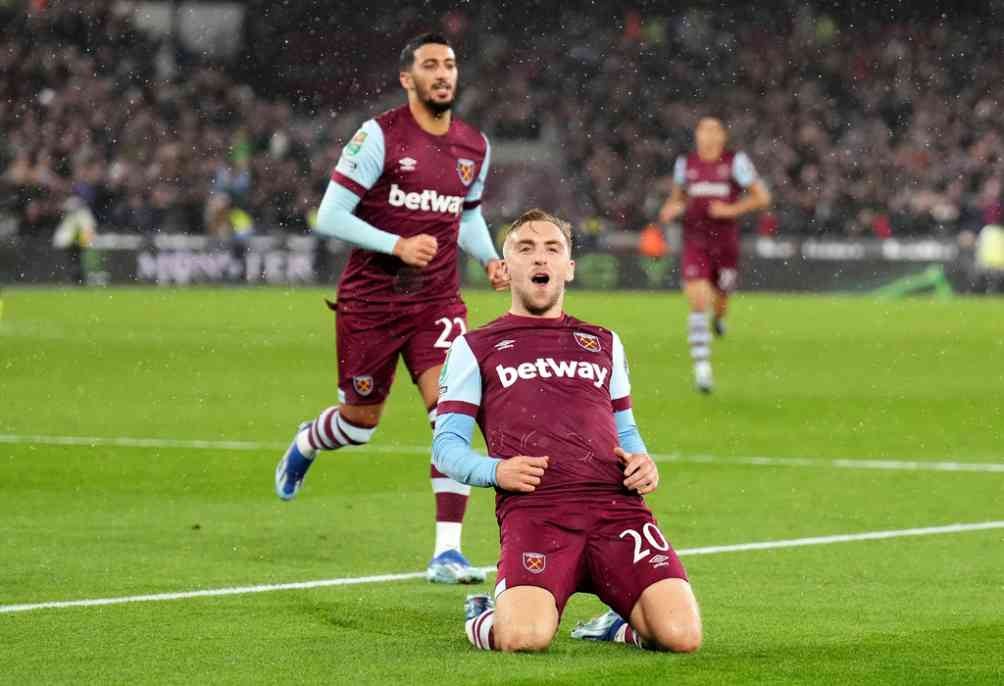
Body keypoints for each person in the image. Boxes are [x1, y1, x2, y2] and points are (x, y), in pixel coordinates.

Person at [274, 33, 507, 584]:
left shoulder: (474, 145)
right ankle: (308, 441)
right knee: (359, 425)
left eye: (450, 64)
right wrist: (396, 244)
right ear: (408, 78)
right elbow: (330, 215)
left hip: (438, 302)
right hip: (372, 302)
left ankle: (446, 552)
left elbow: (466, 215)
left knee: (452, 415)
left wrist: (491, 258)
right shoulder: (378, 136)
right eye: (431, 65)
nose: (443, 73)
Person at [433, 209, 702, 653]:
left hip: (617, 508)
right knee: (524, 638)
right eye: (526, 248)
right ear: (506, 268)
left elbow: (625, 430)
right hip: (538, 511)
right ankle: (483, 612)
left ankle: (616, 626)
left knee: (682, 637)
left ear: (569, 267)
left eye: (552, 248)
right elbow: (446, 447)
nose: (540, 257)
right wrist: (495, 471)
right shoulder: (474, 347)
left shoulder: (604, 342)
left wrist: (643, 462)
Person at [659, 116, 771, 393]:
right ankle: (702, 369)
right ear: (696, 135)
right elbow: (678, 197)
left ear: (723, 136)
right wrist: (671, 208)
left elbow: (762, 197)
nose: (707, 135)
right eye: (703, 130)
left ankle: (719, 319)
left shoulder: (735, 162)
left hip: (725, 244)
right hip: (695, 242)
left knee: (721, 300)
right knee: (698, 301)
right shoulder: (685, 164)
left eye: (713, 130)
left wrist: (731, 210)